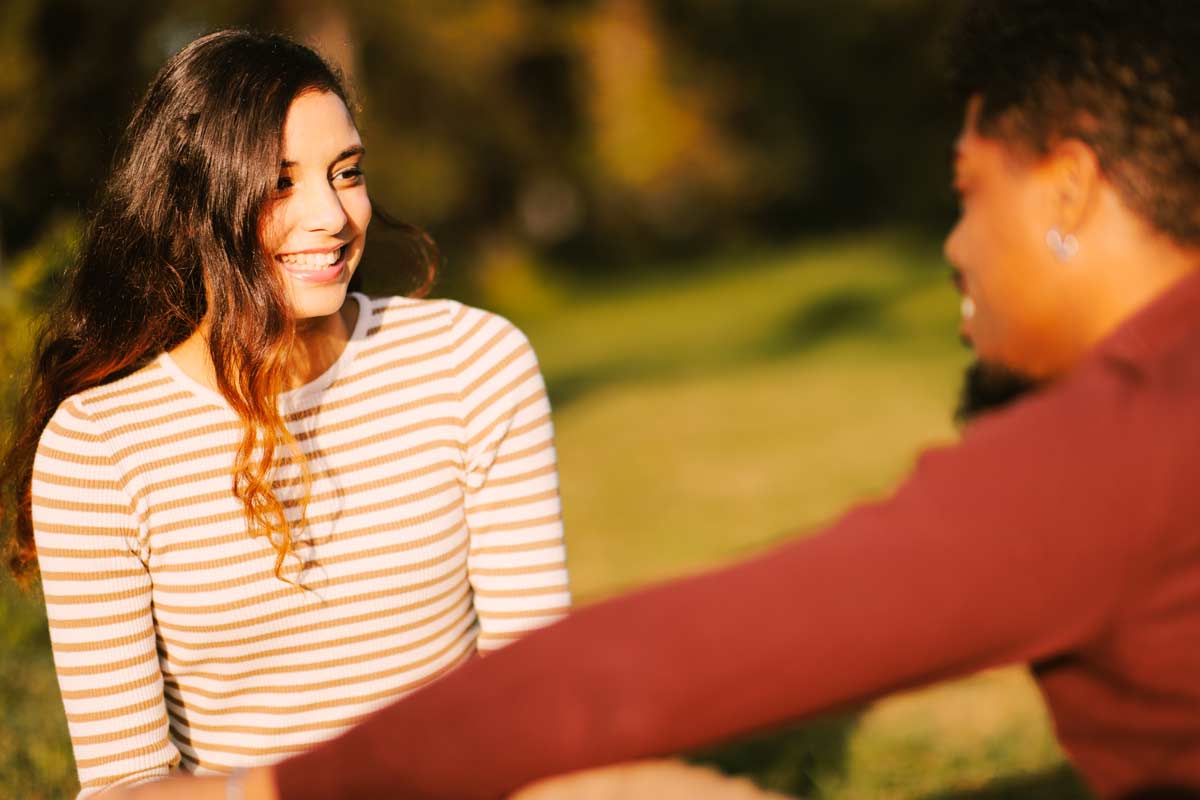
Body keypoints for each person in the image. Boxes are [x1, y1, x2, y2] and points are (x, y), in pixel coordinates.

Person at [110, 0, 1200, 798]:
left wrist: (268, 791)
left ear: (1069, 188)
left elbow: (633, 675)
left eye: (968, 193)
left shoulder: (1122, 448)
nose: (957, 245)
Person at [0, 29, 571, 798]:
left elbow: (538, 694)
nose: (331, 216)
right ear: (192, 206)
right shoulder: (99, 450)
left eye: (347, 173)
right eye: (280, 183)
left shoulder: (472, 364)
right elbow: (126, 786)